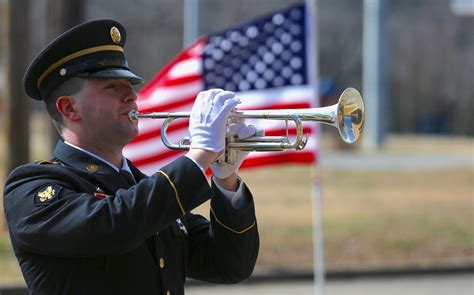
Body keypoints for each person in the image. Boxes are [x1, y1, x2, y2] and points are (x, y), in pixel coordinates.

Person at [3, 19, 259, 295]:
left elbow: (229, 264)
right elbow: (113, 226)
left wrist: (225, 177)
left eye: (130, 84)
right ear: (69, 108)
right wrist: (198, 157)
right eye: (112, 87)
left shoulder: (143, 189)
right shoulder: (31, 188)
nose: (132, 95)